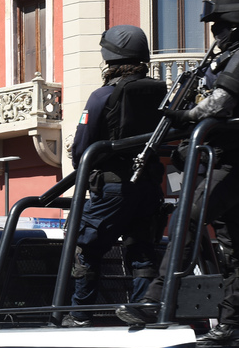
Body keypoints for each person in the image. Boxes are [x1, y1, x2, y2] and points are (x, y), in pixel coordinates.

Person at [117, 0, 239, 346]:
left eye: (219, 26)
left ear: (235, 23)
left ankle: (157, 298)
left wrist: (182, 118)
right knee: (235, 248)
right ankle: (233, 323)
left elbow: (218, 106)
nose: (215, 34)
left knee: (189, 215)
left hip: (235, 166)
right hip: (236, 165)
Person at [64, 25, 167, 327]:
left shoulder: (102, 96)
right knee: (141, 251)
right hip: (149, 186)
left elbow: (82, 148)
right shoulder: (161, 93)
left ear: (109, 59)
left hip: (112, 188)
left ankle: (80, 314)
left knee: (87, 248)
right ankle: (140, 313)